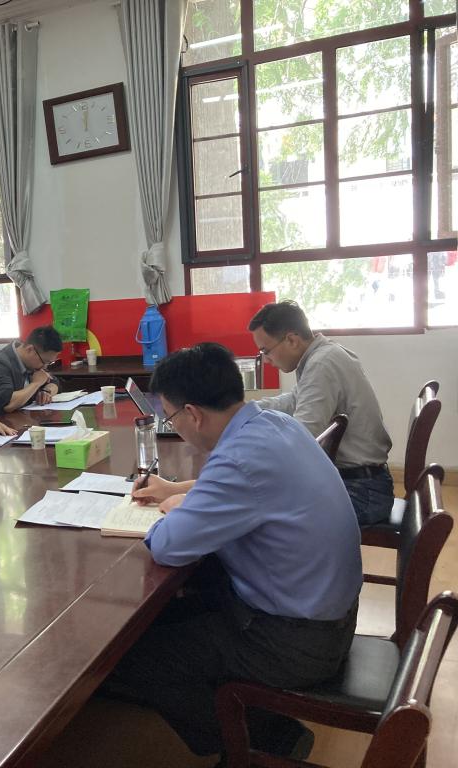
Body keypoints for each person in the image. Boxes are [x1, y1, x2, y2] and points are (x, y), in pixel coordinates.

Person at [99, 343, 361, 761]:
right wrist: (181, 492)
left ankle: (262, 738)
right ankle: (243, 712)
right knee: (183, 598)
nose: (174, 426)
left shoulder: (240, 459)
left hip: (294, 643)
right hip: (327, 617)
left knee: (135, 656)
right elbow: (243, 486)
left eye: (171, 417)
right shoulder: (275, 424)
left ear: (193, 414)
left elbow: (168, 546)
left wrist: (173, 510)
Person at [248, 300, 393, 526]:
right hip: (363, 483)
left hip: (362, 492)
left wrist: (251, 450)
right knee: (262, 505)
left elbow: (301, 436)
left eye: (266, 351)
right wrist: (249, 409)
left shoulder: (321, 364)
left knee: (265, 518)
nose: (266, 360)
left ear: (292, 340)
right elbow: (294, 400)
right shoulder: (324, 355)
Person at [0, 325, 63, 415]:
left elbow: (54, 382)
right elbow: (8, 404)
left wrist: (46, 392)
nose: (44, 367)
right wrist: (36, 384)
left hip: (24, 419)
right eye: (45, 362)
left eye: (49, 363)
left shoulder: (33, 363)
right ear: (30, 350)